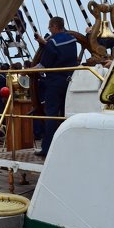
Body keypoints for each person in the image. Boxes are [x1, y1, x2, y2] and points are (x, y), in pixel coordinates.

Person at [34, 17, 77, 158]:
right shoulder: (72, 40)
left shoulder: (52, 43)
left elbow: (43, 65)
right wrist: (45, 44)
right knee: (67, 113)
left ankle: (47, 148)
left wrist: (31, 70)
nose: (50, 31)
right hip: (70, 81)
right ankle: (68, 145)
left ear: (54, 26)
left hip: (54, 82)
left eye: (50, 28)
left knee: (51, 114)